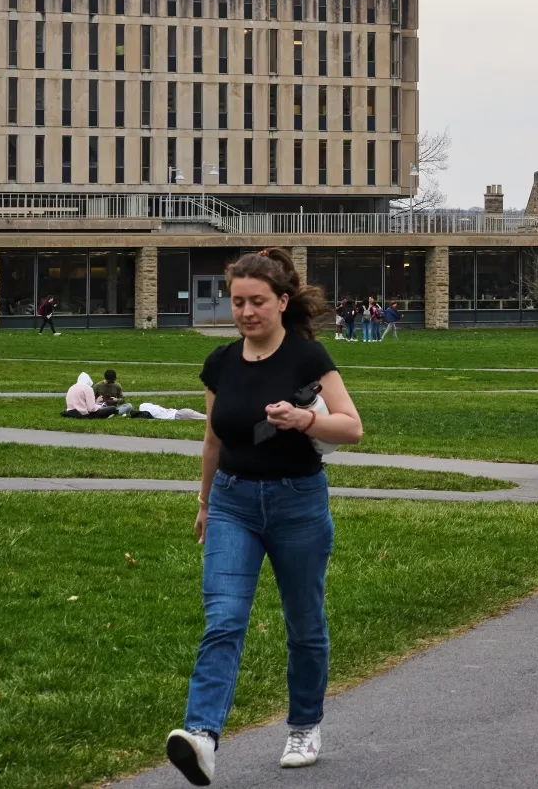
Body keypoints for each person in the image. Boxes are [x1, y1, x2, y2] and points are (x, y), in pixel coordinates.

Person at [166, 248, 364, 784]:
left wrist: (304, 419)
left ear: (281, 301)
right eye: (237, 302)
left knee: (304, 624)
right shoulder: (221, 363)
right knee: (224, 619)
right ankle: (202, 736)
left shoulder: (308, 358)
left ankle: (304, 723)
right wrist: (205, 503)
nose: (246, 312)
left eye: (257, 302)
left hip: (297, 502)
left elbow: (351, 427)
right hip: (232, 503)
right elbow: (212, 439)